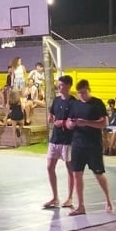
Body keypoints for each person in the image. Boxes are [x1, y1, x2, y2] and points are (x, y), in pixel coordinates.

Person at [65, 79, 113, 216]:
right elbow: (69, 122)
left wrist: (86, 122)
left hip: (93, 145)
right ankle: (80, 205)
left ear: (89, 90)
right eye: (79, 93)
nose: (82, 96)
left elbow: (104, 123)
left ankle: (108, 200)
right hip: (78, 144)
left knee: (98, 174)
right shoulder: (75, 105)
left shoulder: (97, 103)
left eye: (84, 93)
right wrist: (72, 124)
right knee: (77, 174)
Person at [44, 75, 75, 210]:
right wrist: (51, 119)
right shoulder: (56, 101)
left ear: (68, 86)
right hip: (55, 139)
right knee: (50, 166)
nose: (59, 87)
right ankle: (55, 196)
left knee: (70, 169)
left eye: (61, 85)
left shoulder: (73, 102)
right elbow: (51, 115)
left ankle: (69, 197)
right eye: (58, 85)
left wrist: (62, 122)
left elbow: (74, 121)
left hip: (67, 140)